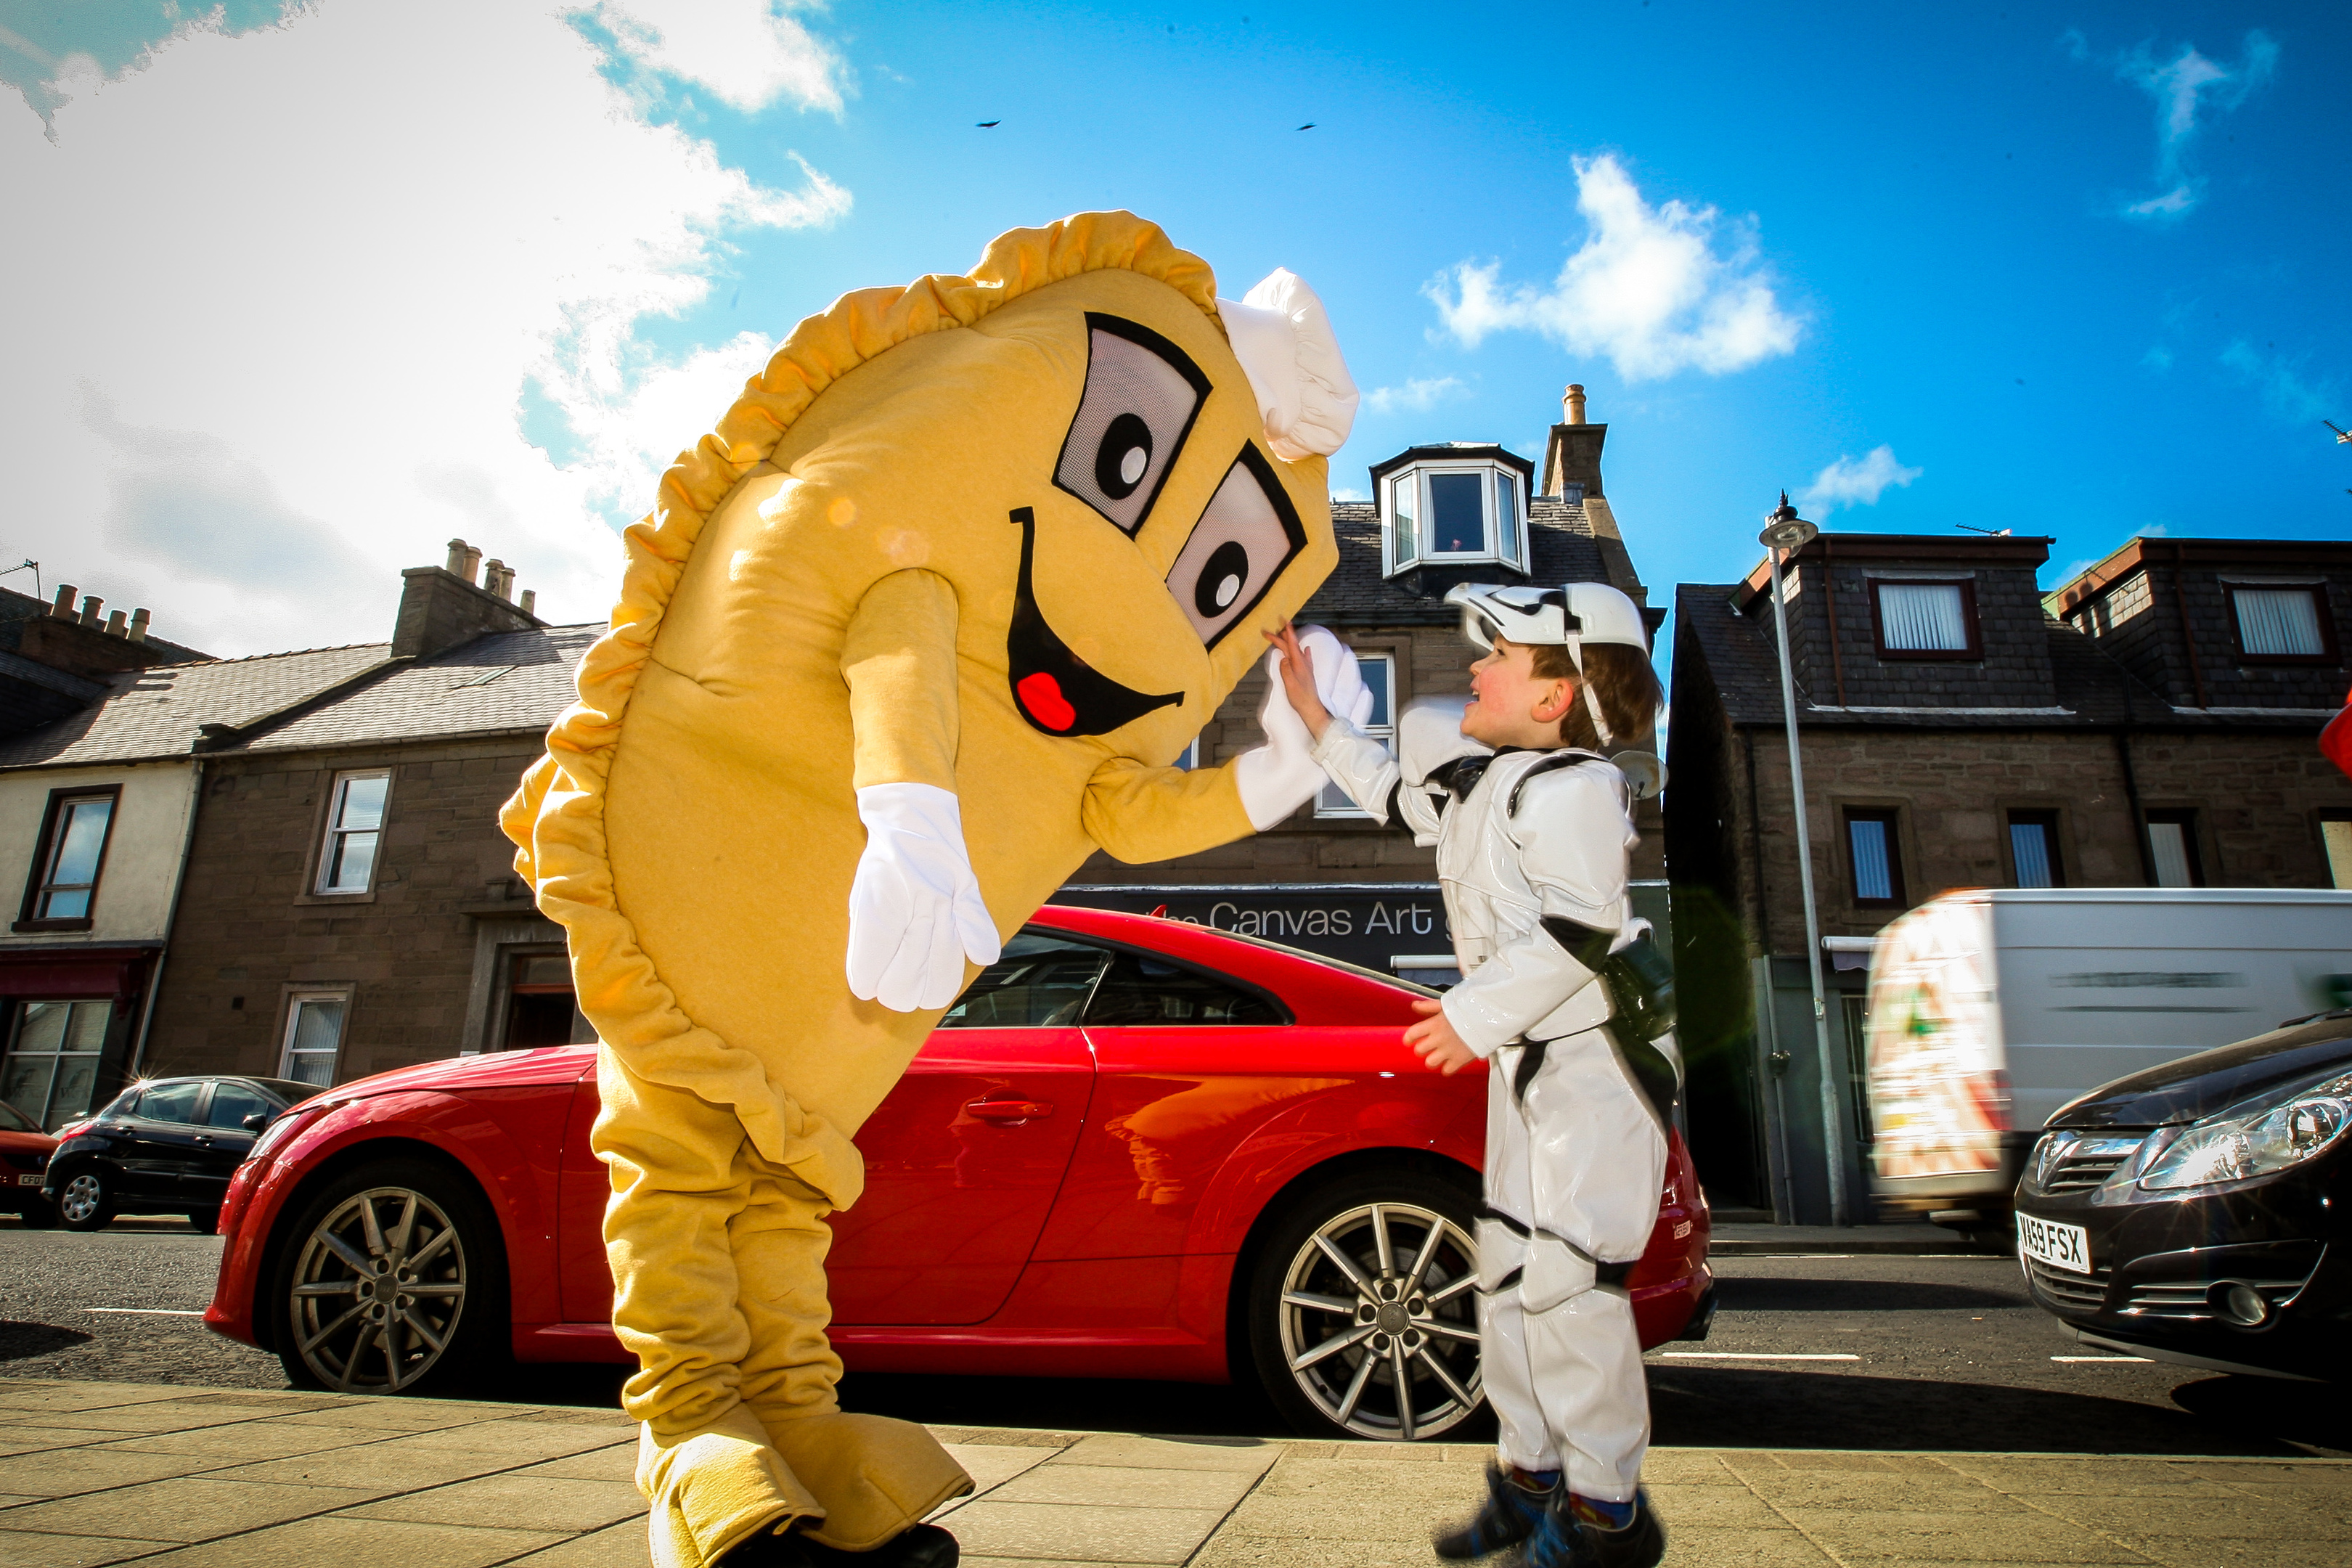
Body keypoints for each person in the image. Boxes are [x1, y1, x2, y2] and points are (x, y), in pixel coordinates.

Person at [1265, 579, 1674, 1568]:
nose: (1474, 668)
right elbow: (1393, 792)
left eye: (1500, 656)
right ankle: (1532, 1482)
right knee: (1510, 1282)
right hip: (1531, 1067)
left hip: (1596, 1070)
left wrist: (1467, 1013)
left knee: (1572, 1291)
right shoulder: (1487, 786)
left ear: (1555, 697)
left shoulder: (1576, 788)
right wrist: (1318, 717)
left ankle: (1608, 1516)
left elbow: (1581, 925)